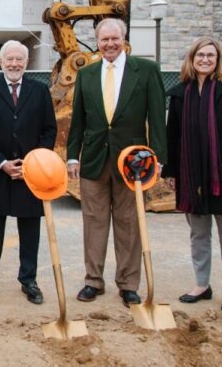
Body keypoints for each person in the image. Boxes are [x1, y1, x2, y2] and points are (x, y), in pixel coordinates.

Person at [66, 18, 166, 307]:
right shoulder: (87, 74)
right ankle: (93, 281)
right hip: (95, 160)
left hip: (132, 163)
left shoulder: (146, 71)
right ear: (97, 42)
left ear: (124, 39)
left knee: (129, 223)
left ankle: (128, 284)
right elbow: (78, 120)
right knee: (94, 222)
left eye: (114, 38)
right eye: (103, 39)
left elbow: (157, 118)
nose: (109, 44)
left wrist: (157, 158)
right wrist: (73, 155)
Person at [162, 37, 222, 313]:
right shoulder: (181, 93)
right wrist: (170, 171)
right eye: (200, 55)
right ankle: (202, 284)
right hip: (191, 177)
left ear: (218, 60)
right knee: (198, 234)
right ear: (191, 58)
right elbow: (173, 137)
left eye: (211, 55)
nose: (205, 59)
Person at [0, 40, 57, 304]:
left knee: (30, 229)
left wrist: (33, 163)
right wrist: (1, 162)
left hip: (31, 175)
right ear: (1, 61)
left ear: (27, 62)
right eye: (10, 59)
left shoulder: (40, 91)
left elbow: (49, 130)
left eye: (20, 59)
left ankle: (29, 280)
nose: (14, 64)